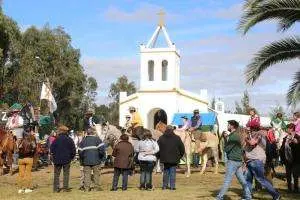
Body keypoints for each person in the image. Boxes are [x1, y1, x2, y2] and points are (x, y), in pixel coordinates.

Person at [216, 120, 251, 200]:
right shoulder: (235, 135)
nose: (227, 126)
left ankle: (219, 197)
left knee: (227, 180)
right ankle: (248, 196)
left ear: (232, 126)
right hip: (238, 161)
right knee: (242, 180)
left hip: (233, 161)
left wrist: (225, 144)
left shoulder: (233, 136)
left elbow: (227, 149)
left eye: (228, 125)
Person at [244, 129, 281, 199]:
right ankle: (247, 196)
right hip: (249, 161)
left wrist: (246, 138)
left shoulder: (259, 135)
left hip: (256, 161)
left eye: (250, 128)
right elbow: (247, 148)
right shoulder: (251, 136)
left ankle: (276, 195)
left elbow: (252, 144)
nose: (249, 129)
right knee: (248, 180)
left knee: (261, 180)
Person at [158, 125, 185, 190]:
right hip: (174, 158)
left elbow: (157, 148)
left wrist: (159, 156)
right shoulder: (177, 138)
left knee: (165, 172)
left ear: (166, 129)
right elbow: (182, 149)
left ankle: (164, 186)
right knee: (172, 172)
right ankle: (172, 186)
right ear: (172, 130)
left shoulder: (161, 138)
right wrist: (180, 156)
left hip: (164, 158)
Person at [50, 125, 76, 193]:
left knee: (56, 174)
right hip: (67, 159)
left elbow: (51, 149)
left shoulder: (56, 140)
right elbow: (73, 150)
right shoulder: (69, 139)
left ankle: (55, 189)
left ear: (60, 131)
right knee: (66, 174)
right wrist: (72, 157)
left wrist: (53, 157)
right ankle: (65, 188)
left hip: (57, 160)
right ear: (66, 132)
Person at [280, 123, 299, 193]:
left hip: (295, 160)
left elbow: (298, 148)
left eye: (287, 129)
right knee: (288, 175)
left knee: (295, 175)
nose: (286, 130)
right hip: (287, 160)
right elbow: (282, 149)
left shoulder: (297, 137)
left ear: (291, 129)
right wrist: (282, 159)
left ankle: (296, 189)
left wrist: (295, 142)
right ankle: (289, 188)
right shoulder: (285, 138)